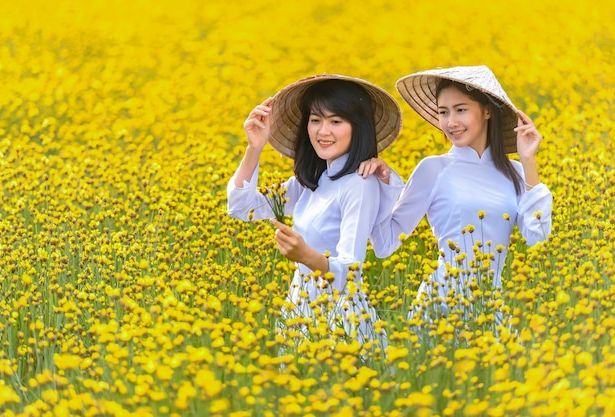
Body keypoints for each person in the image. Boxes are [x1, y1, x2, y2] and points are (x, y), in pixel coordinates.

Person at [358, 65, 552, 327]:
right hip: (440, 306)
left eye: (461, 110)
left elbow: (537, 238)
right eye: (443, 112)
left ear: (486, 111)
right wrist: (382, 185)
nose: (451, 122)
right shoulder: (433, 169)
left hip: (490, 307)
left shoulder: (516, 173)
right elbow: (385, 244)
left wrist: (528, 161)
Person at [227, 74, 402, 351]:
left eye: (336, 121)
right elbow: (241, 208)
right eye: (315, 120)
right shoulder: (312, 180)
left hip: (340, 321)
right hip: (300, 310)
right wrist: (254, 148)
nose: (323, 131)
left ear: (358, 127)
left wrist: (305, 256)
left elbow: (350, 271)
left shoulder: (359, 184)